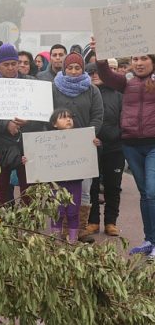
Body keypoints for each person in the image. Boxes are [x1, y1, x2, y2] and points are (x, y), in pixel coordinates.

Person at [91, 37, 155, 258]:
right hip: (130, 145)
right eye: (135, 58)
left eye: (144, 58)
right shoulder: (126, 82)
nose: (139, 62)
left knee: (153, 190)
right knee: (145, 194)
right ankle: (149, 240)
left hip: (153, 144)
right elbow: (107, 76)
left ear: (152, 61)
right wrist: (99, 55)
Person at [0, 43, 45, 205]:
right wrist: (6, 125)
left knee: (29, 188)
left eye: (14, 64)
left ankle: (30, 222)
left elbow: (42, 113)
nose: (11, 68)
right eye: (6, 64)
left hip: (25, 145)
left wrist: (28, 122)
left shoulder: (31, 83)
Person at [52, 51, 103, 242]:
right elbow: (47, 117)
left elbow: (98, 116)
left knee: (84, 189)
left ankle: (79, 229)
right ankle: (61, 229)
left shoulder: (92, 90)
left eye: (77, 68)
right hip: (57, 146)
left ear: (82, 69)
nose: (74, 71)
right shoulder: (54, 88)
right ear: (64, 69)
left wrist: (87, 136)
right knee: (59, 188)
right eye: (70, 68)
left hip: (83, 147)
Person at [37, 108, 98, 243]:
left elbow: (90, 155)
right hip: (56, 184)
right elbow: (37, 158)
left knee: (73, 212)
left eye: (70, 117)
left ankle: (72, 240)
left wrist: (95, 145)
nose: (68, 119)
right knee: (57, 212)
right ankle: (55, 240)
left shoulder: (82, 138)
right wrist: (27, 159)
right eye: (63, 117)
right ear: (54, 124)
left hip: (75, 182)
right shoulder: (46, 141)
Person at [85, 62, 124, 237]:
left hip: (114, 147)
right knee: (92, 186)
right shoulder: (86, 94)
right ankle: (92, 221)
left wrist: (116, 135)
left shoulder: (118, 94)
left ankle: (111, 222)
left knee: (113, 186)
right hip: (91, 147)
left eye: (97, 72)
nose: (94, 75)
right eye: (90, 72)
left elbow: (125, 118)